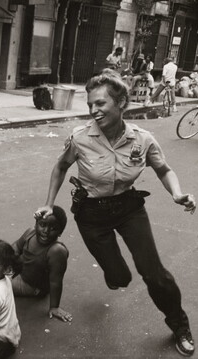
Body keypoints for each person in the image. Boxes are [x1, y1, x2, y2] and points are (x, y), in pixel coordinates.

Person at [35, 69, 196, 356]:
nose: (93, 110)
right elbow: (61, 167)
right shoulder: (80, 138)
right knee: (120, 278)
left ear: (121, 103)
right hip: (91, 215)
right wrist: (49, 202)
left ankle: (179, 325)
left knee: (155, 274)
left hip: (128, 208)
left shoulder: (142, 139)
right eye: (90, 105)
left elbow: (163, 169)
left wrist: (176, 193)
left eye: (100, 103)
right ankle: (114, 272)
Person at [0, 205, 73, 322]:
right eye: (42, 225)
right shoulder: (30, 233)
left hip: (32, 285)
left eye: (53, 228)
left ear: (60, 232)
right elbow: (14, 249)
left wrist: (54, 307)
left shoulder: (57, 251)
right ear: (36, 224)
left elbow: (55, 282)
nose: (46, 231)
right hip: (19, 270)